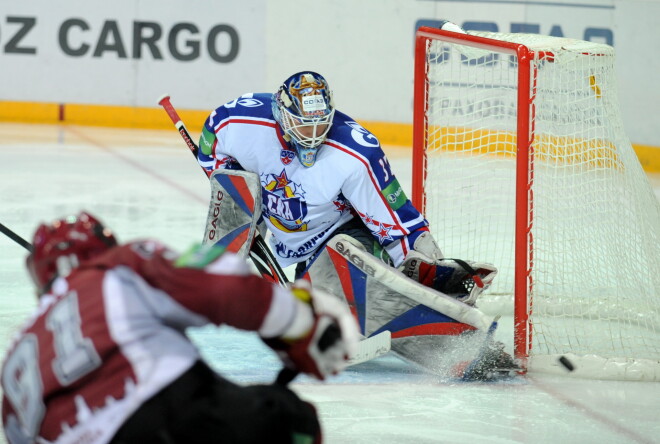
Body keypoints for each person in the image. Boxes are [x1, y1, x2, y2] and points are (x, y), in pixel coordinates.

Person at [1, 211, 358, 444]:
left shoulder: (15, 360)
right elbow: (218, 286)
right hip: (169, 419)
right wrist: (299, 321)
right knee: (292, 420)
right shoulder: (118, 266)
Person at [197, 70, 495, 305]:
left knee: (331, 280)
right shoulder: (238, 121)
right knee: (311, 300)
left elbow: (393, 217)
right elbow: (211, 144)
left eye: (320, 123)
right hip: (294, 243)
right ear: (281, 112)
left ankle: (392, 282)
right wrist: (242, 202)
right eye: (302, 124)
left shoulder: (355, 153)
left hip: (342, 231)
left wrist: (423, 262)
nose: (312, 134)